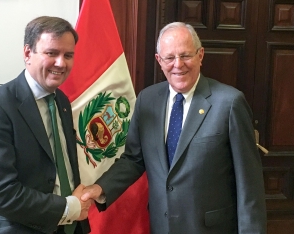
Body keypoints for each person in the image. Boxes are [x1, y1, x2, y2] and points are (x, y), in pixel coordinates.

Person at [81, 22, 267, 234]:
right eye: (169, 57)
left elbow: (249, 183)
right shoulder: (147, 100)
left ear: (201, 55)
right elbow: (134, 159)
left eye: (186, 55)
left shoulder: (230, 103)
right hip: (162, 226)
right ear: (159, 61)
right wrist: (100, 188)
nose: (178, 64)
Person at [0, 16, 91, 234]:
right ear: (27, 53)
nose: (61, 63)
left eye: (68, 55)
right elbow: (1, 194)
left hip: (68, 227)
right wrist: (68, 207)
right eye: (51, 53)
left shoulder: (61, 101)